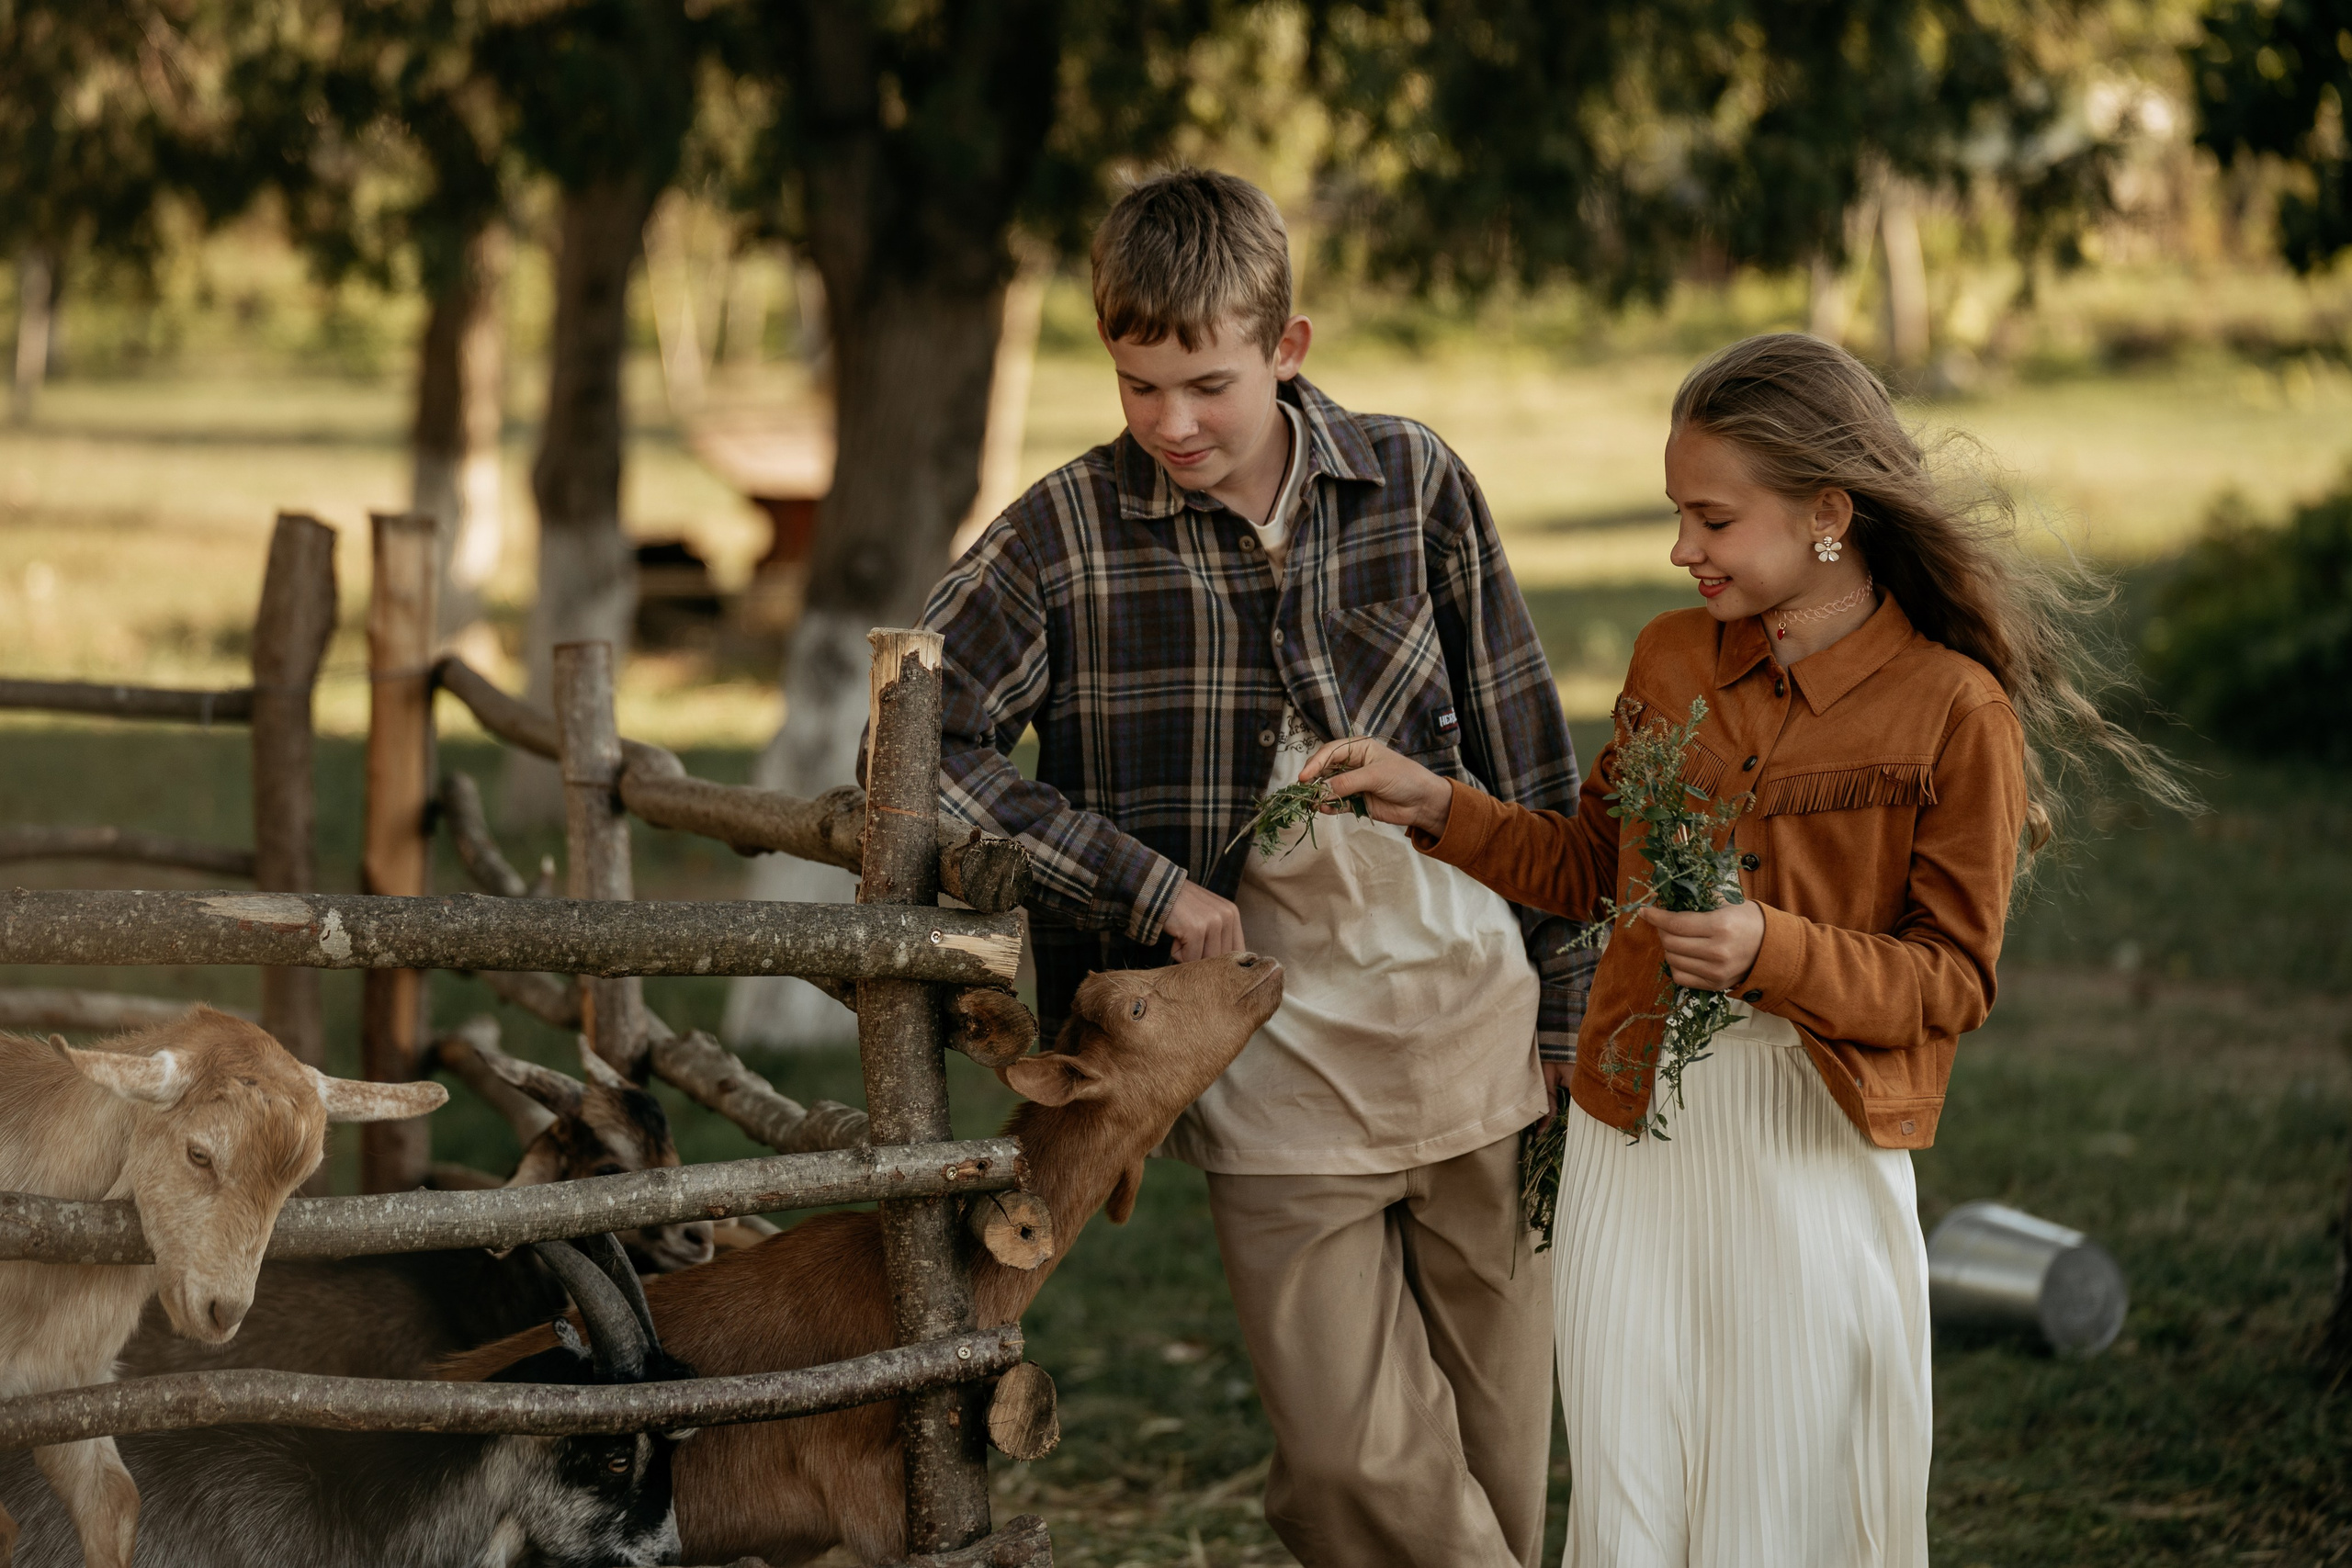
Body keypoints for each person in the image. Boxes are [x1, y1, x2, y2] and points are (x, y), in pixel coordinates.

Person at [1305, 333, 2190, 1567]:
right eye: (1679, 515)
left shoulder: (1955, 711)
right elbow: (1583, 868)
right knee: (1629, 1495)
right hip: (1631, 1137)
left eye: (1711, 519)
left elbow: (1953, 981)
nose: (1682, 549)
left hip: (1806, 1146)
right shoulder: (1672, 659)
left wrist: (1773, 949)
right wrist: (1433, 803)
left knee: (1783, 1501)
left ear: (1828, 515)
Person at [918, 168, 1588, 1567]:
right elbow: (916, 736)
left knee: (1499, 1458)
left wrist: (1573, 1014)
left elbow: (1530, 759)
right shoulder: (1062, 537)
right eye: (1138, 383)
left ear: (1287, 348)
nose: (1172, 423)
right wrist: (1137, 885)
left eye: (1208, 384)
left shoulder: (1414, 482)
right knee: (1352, 1463)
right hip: (1269, 1072)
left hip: (1476, 1037)